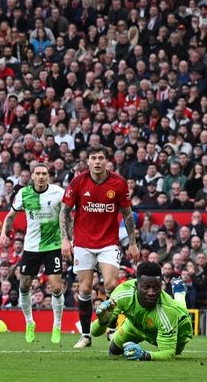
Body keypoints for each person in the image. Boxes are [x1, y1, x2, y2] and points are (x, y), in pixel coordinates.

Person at [59, 145, 139, 348]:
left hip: (108, 242)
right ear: (88, 162)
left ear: (107, 161)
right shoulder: (78, 181)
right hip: (83, 244)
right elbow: (64, 211)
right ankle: (86, 336)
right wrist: (65, 239)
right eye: (93, 158)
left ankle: (112, 329)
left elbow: (127, 214)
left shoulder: (118, 183)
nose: (97, 161)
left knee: (112, 285)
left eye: (100, 158)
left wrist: (133, 243)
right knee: (85, 289)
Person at [0, 163, 65, 344]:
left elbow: (69, 214)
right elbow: (11, 216)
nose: (42, 176)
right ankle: (29, 323)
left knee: (56, 287)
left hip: (53, 245)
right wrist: (3, 233)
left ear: (48, 176)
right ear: (32, 176)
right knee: (24, 286)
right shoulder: (24, 193)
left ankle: (57, 325)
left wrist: (69, 239)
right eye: (38, 173)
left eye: (45, 173)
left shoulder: (58, 192)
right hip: (31, 247)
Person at [91, 262, 193, 361]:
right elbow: (94, 333)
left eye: (156, 287)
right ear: (136, 285)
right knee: (113, 351)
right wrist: (102, 321)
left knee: (181, 310)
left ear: (161, 285)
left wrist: (144, 355)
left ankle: (179, 294)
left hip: (178, 328)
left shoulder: (168, 310)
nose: (151, 293)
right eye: (146, 287)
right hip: (135, 326)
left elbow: (168, 354)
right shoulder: (122, 294)